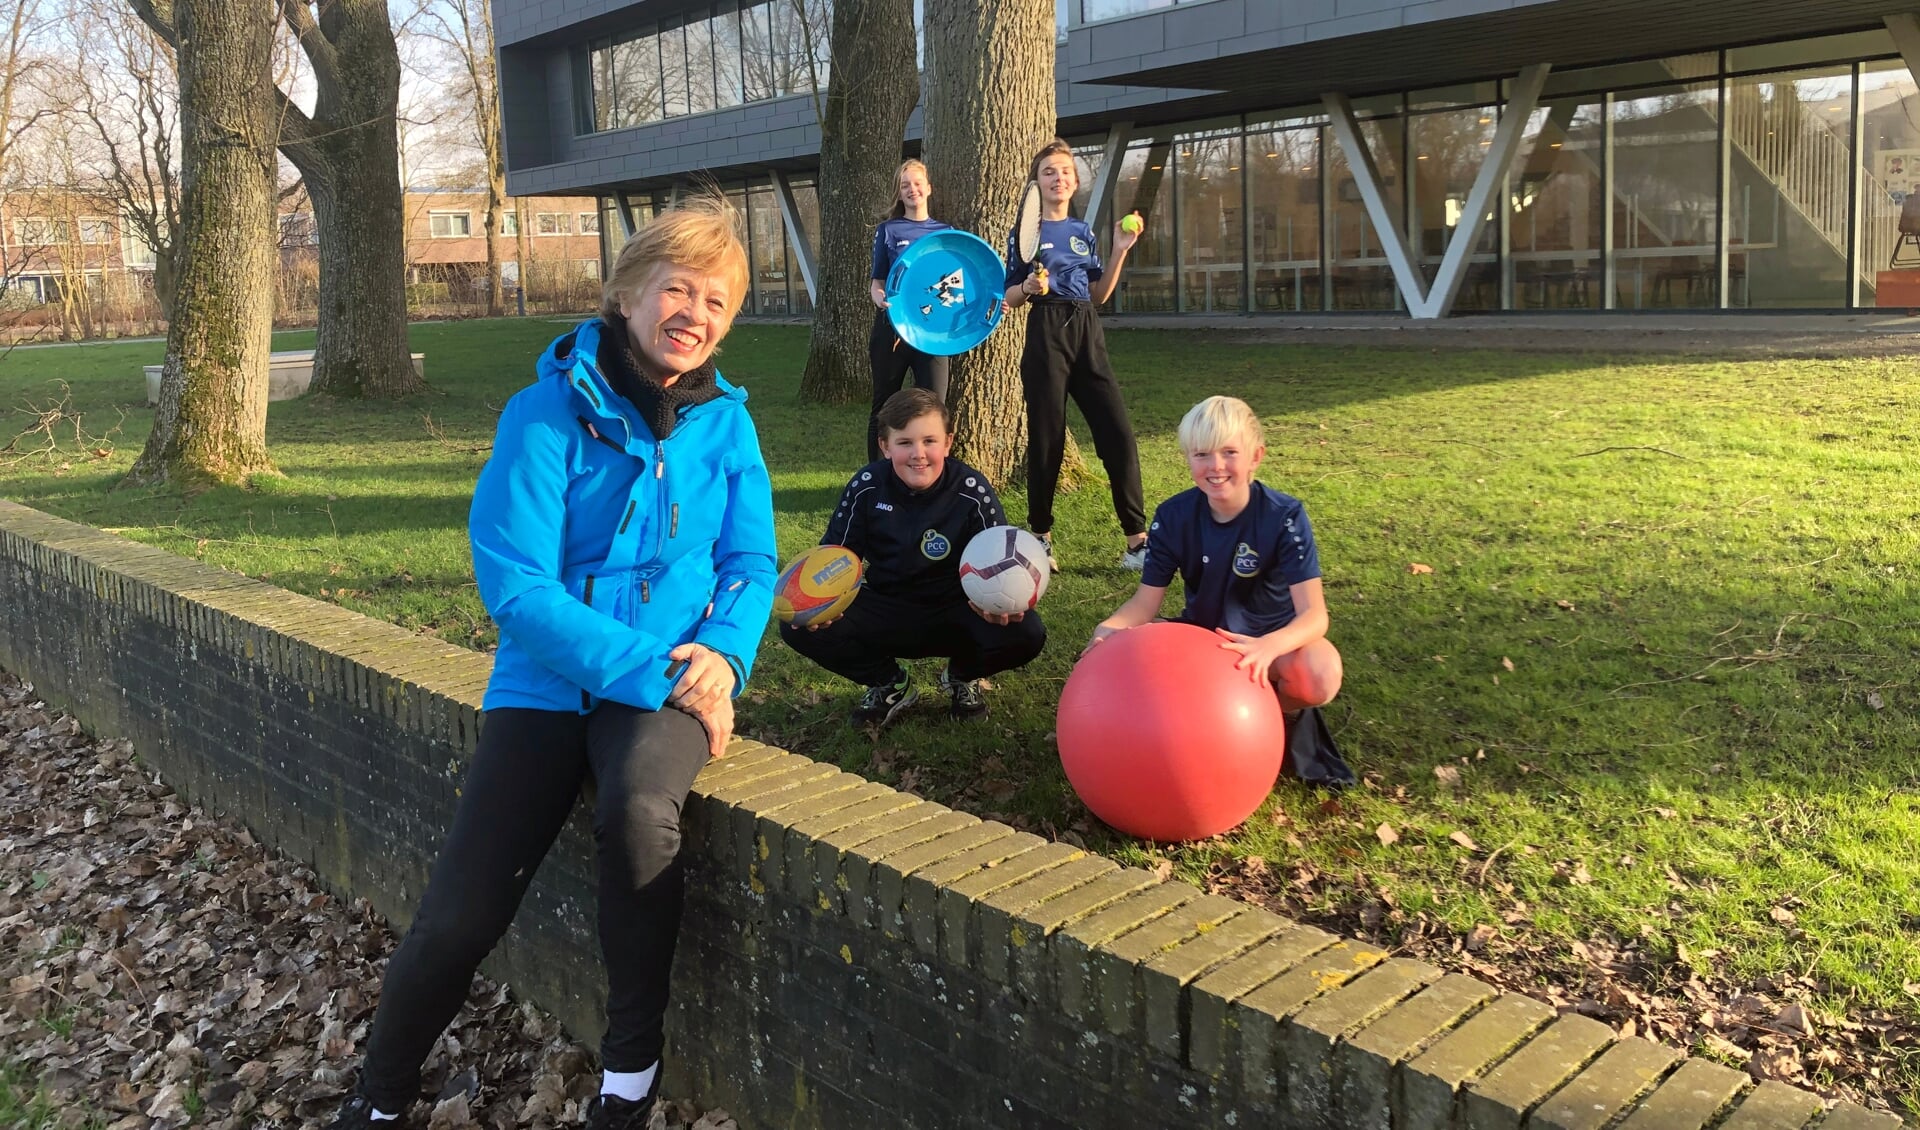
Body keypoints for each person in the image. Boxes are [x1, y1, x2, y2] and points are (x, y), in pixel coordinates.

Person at [328, 196, 777, 1130]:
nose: (697, 313)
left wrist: (726, 661)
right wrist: (662, 672)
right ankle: (376, 1097)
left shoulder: (729, 428)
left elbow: (749, 564)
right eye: (679, 289)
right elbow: (520, 589)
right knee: (463, 906)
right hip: (553, 681)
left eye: (720, 302)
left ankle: (629, 1071)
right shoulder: (541, 415)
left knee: (640, 811)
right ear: (626, 294)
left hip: (673, 678)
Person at [1087, 395, 1354, 787]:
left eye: (1230, 452)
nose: (1215, 466)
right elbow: (1146, 603)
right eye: (1201, 455)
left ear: (1255, 456)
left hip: (1269, 650)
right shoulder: (1173, 515)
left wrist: (1269, 647)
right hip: (1204, 643)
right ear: (1188, 460)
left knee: (1320, 672)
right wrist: (1107, 630)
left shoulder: (1284, 516)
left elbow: (1315, 615)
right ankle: (1190, 727)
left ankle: (1268, 721)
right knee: (1125, 648)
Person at [780, 387, 1046, 726]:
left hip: (956, 610)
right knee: (798, 624)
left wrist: (1003, 605)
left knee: (1028, 632)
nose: (918, 454)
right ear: (884, 445)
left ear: (948, 443)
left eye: (929, 441)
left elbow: (1000, 564)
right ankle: (889, 683)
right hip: (886, 608)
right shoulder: (866, 486)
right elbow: (836, 557)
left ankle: (963, 676)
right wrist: (821, 604)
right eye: (905, 442)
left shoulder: (972, 491)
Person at [1001, 137, 1149, 574]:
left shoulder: (1083, 232)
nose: (1058, 178)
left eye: (1064, 171)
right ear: (1037, 184)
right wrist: (1027, 288)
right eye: (1048, 172)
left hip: (1087, 330)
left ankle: (1137, 542)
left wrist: (1120, 249)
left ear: (1075, 179)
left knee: (1118, 434)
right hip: (1046, 332)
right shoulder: (1026, 233)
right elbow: (1007, 295)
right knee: (1047, 439)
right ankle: (1041, 537)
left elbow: (1099, 294)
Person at [866, 158, 953, 460]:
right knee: (884, 405)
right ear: (899, 193)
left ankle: (929, 473)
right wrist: (879, 299)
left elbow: (956, 284)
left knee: (934, 405)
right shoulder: (888, 230)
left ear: (928, 188)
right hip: (893, 330)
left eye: (917, 183)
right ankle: (876, 476)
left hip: (933, 335)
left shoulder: (946, 232)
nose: (912, 189)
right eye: (905, 186)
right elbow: (876, 281)